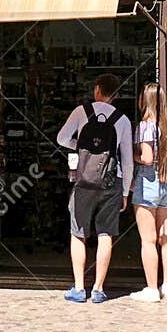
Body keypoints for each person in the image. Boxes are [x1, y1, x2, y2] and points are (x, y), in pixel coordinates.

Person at [56, 74, 133, 304]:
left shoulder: (81, 112)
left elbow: (61, 138)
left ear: (97, 89)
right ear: (116, 94)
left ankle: (79, 288)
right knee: (105, 234)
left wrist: (79, 146)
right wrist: (126, 192)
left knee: (78, 233)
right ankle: (98, 289)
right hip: (111, 181)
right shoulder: (123, 120)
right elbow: (128, 160)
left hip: (84, 181)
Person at [129, 81, 167, 302]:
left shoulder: (145, 126)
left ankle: (151, 288)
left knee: (148, 240)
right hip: (166, 183)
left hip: (147, 183)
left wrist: (133, 156)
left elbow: (147, 158)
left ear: (144, 100)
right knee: (166, 237)